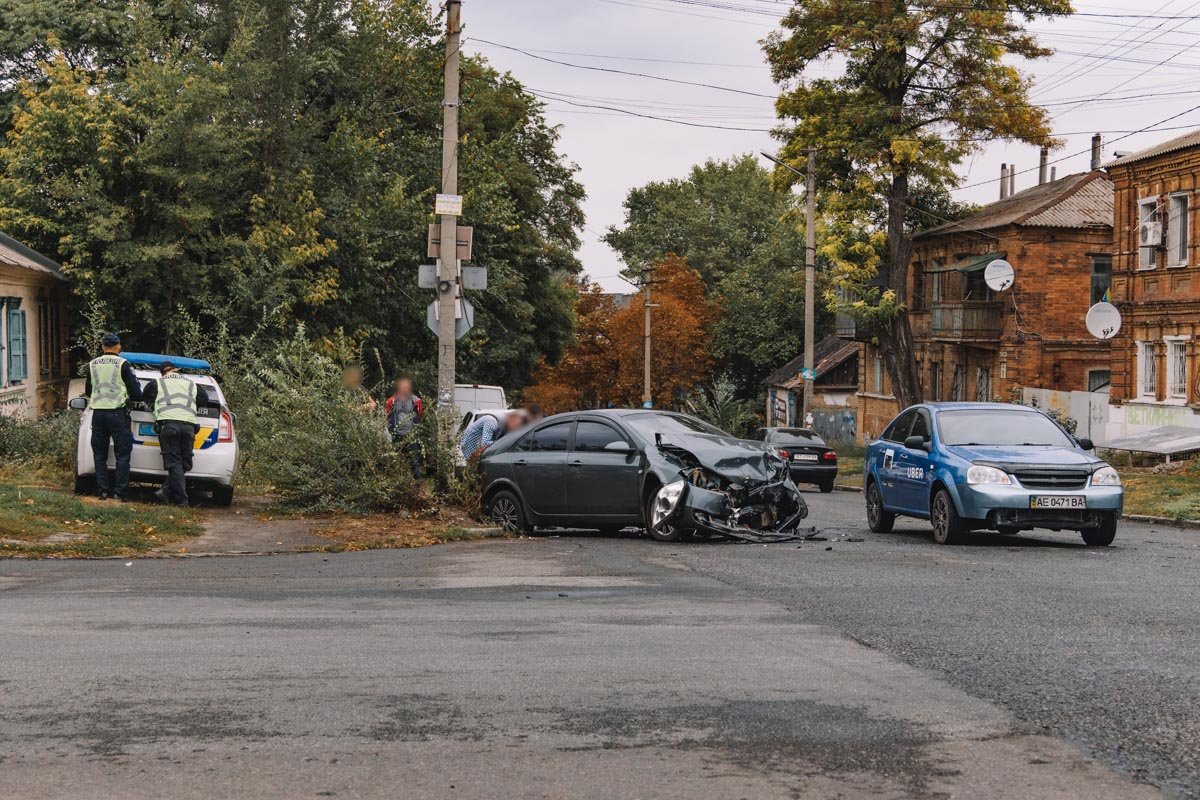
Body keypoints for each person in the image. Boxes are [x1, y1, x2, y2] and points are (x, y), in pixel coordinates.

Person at [141, 360, 210, 506]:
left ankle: (177, 498)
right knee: (184, 463)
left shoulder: (157, 383)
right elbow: (204, 400)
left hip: (169, 426)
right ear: (176, 370)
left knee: (175, 464)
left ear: (162, 372)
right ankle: (173, 495)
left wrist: (157, 409)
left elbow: (145, 397)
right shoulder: (192, 384)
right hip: (188, 427)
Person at [83, 333, 143, 500]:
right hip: (117, 413)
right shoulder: (123, 364)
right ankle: (119, 492)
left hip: (98, 414)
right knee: (122, 453)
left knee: (99, 453)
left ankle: (102, 491)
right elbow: (136, 393)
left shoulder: (92, 364)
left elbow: (88, 391)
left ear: (102, 347)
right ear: (118, 347)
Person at [385, 377, 424, 480]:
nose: (406, 389)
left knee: (414, 460)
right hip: (396, 435)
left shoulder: (415, 401)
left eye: (407, 387)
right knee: (396, 459)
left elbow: (420, 415)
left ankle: (417, 484)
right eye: (404, 386)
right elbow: (388, 416)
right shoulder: (391, 401)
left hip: (411, 435)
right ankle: (397, 482)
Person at [460, 409, 526, 460]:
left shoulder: (500, 427)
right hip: (470, 446)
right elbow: (485, 443)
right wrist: (501, 443)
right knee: (474, 470)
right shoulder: (491, 421)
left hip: (471, 446)